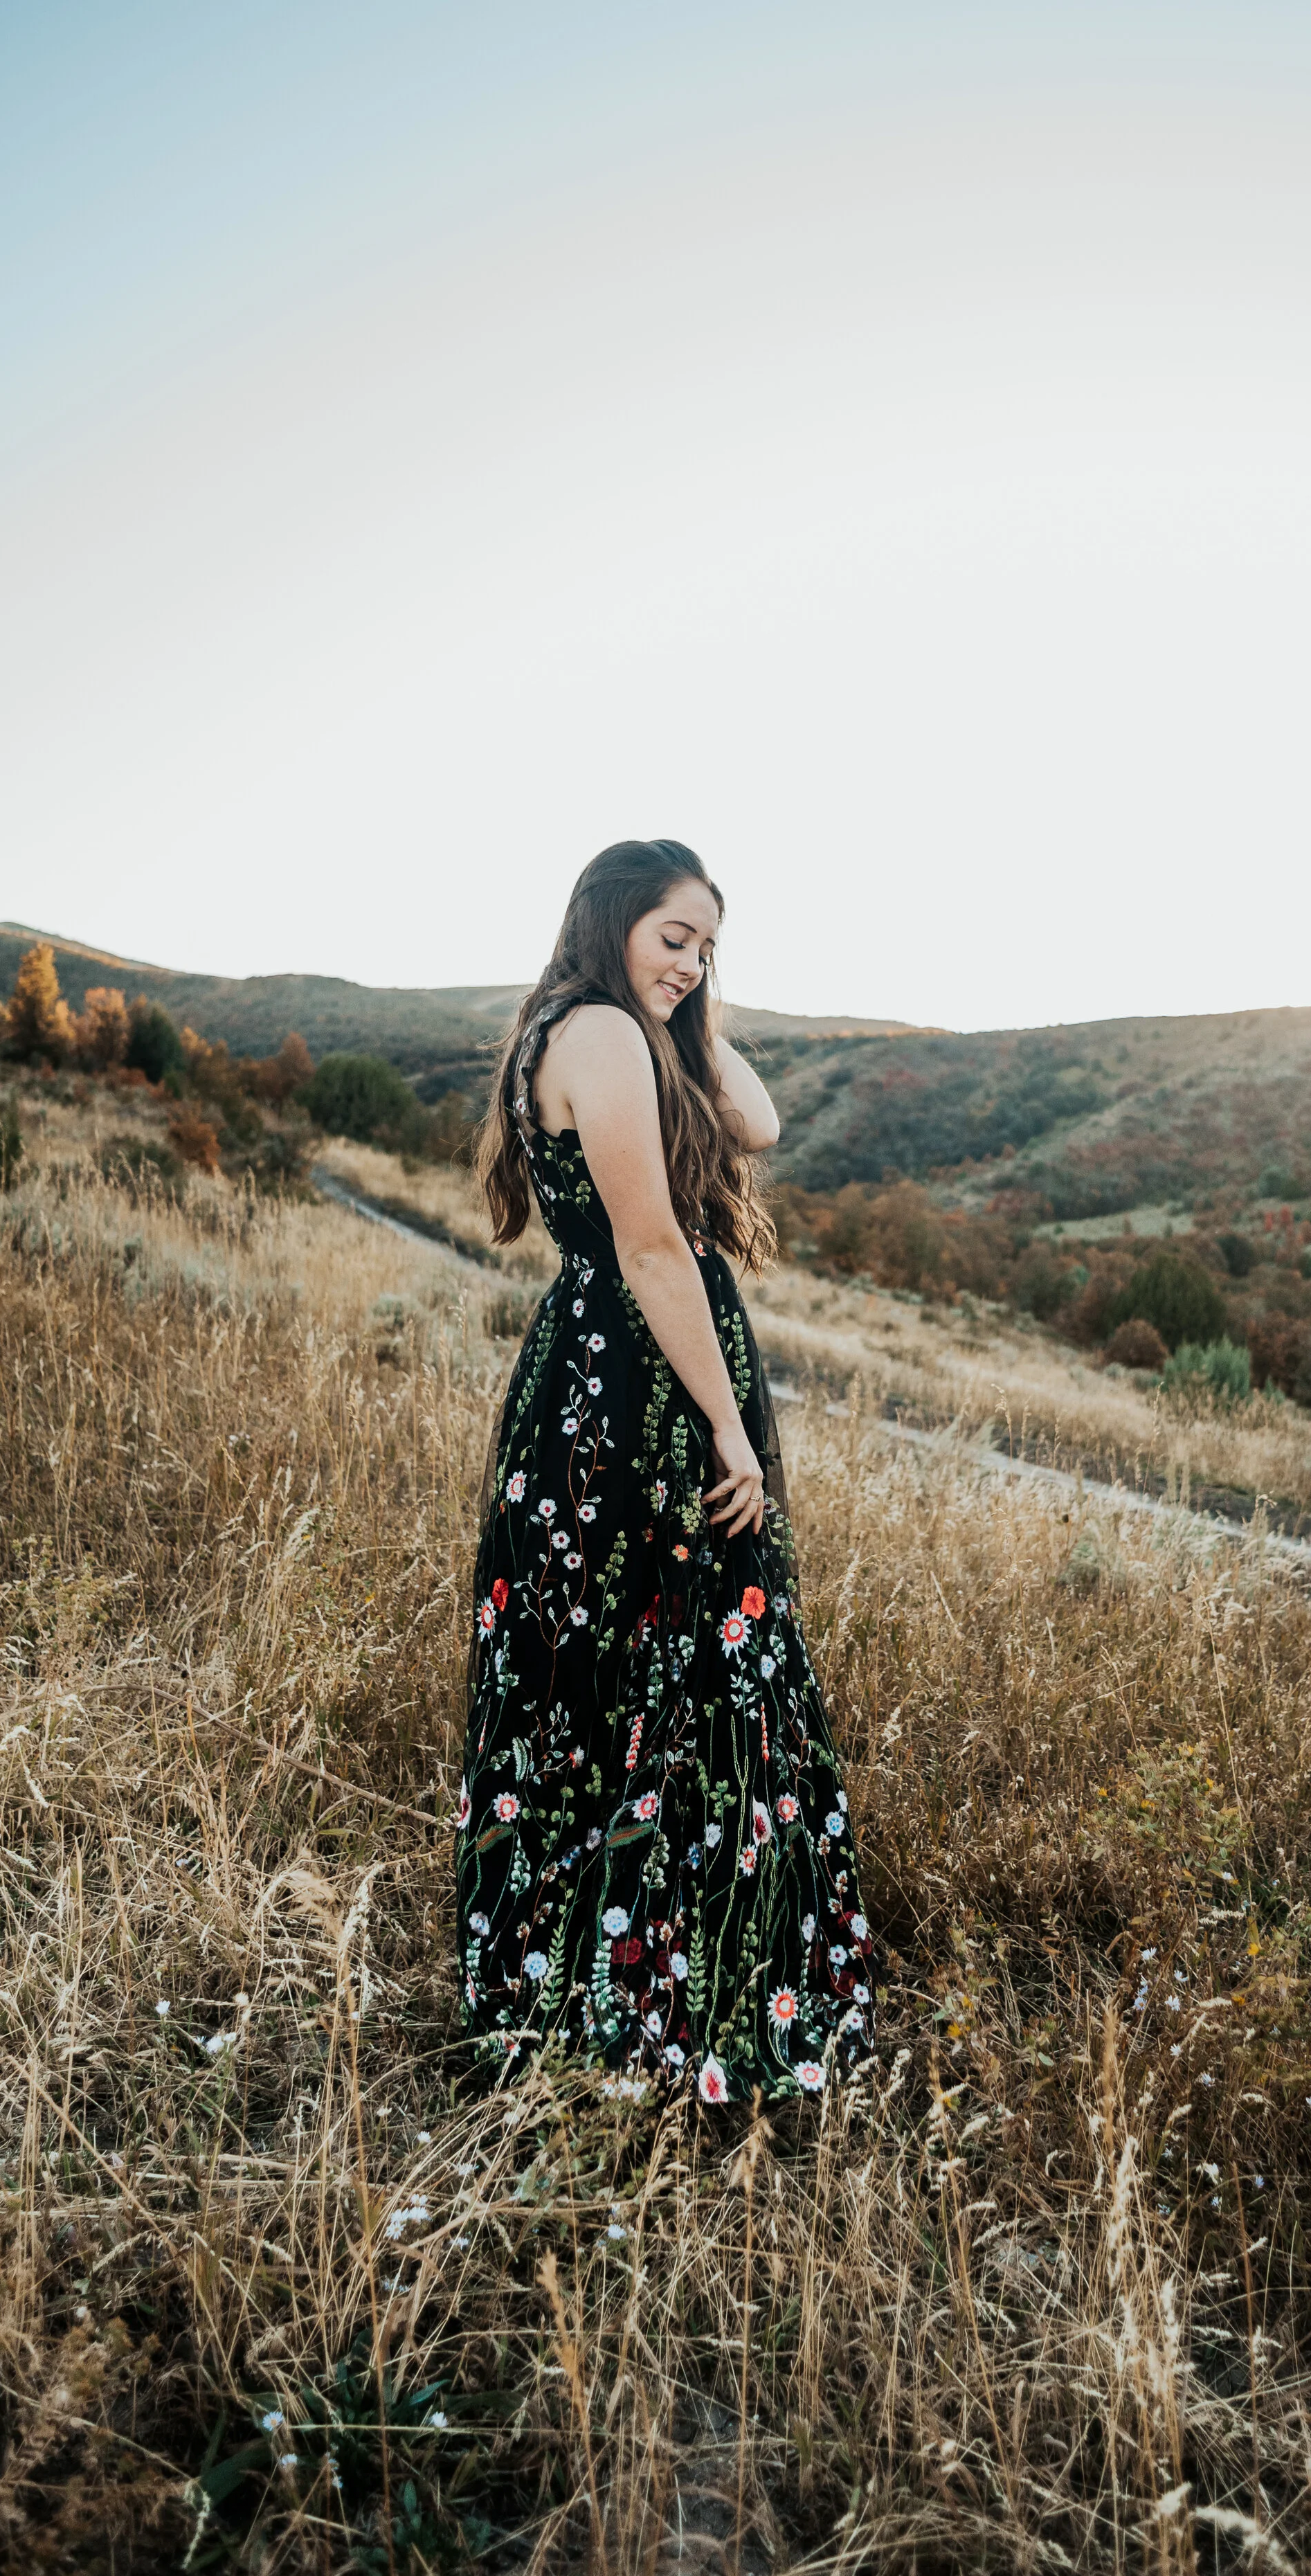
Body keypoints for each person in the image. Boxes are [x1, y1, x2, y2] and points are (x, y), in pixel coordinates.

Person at [454, 839, 876, 2104]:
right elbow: (650, 1250)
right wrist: (733, 1433)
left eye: (708, 943)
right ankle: (656, 1988)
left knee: (623, 1669)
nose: (690, 963)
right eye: (670, 935)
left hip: (618, 1374)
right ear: (608, 921)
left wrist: (687, 1009)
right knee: (669, 1663)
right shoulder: (594, 1036)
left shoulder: (595, 1028)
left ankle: (626, 1967)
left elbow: (761, 1118)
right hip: (640, 1389)